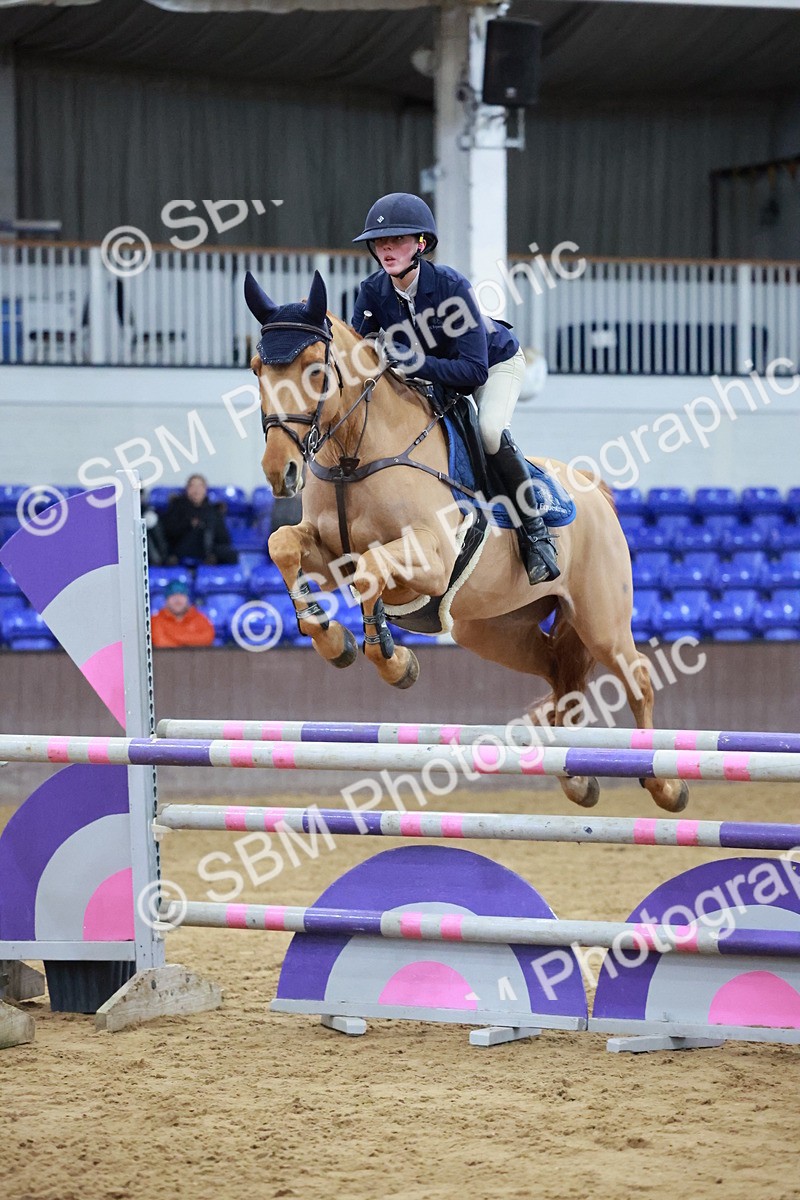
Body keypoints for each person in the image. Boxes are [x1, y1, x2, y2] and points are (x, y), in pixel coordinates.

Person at [351, 192, 559, 585]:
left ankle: (536, 534)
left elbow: (473, 371)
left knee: (489, 431)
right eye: (380, 242)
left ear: (421, 244)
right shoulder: (371, 292)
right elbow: (360, 362)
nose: (387, 249)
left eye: (397, 240)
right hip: (432, 378)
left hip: (492, 364)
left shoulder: (449, 286)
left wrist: (412, 362)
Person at [161, 474, 238, 566]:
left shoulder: (213, 511)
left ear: (205, 489)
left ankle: (210, 556)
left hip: (208, 548)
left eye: (200, 486)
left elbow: (224, 538)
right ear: (187, 489)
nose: (196, 490)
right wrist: (189, 524)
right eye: (192, 486)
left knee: (230, 553)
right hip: (182, 547)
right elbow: (169, 532)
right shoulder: (177, 507)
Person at [151, 580, 215, 648]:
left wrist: (174, 637)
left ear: (188, 599)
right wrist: (191, 640)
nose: (177, 599)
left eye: (181, 595)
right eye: (173, 595)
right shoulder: (156, 621)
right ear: (166, 600)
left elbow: (207, 638)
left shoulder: (200, 618)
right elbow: (161, 643)